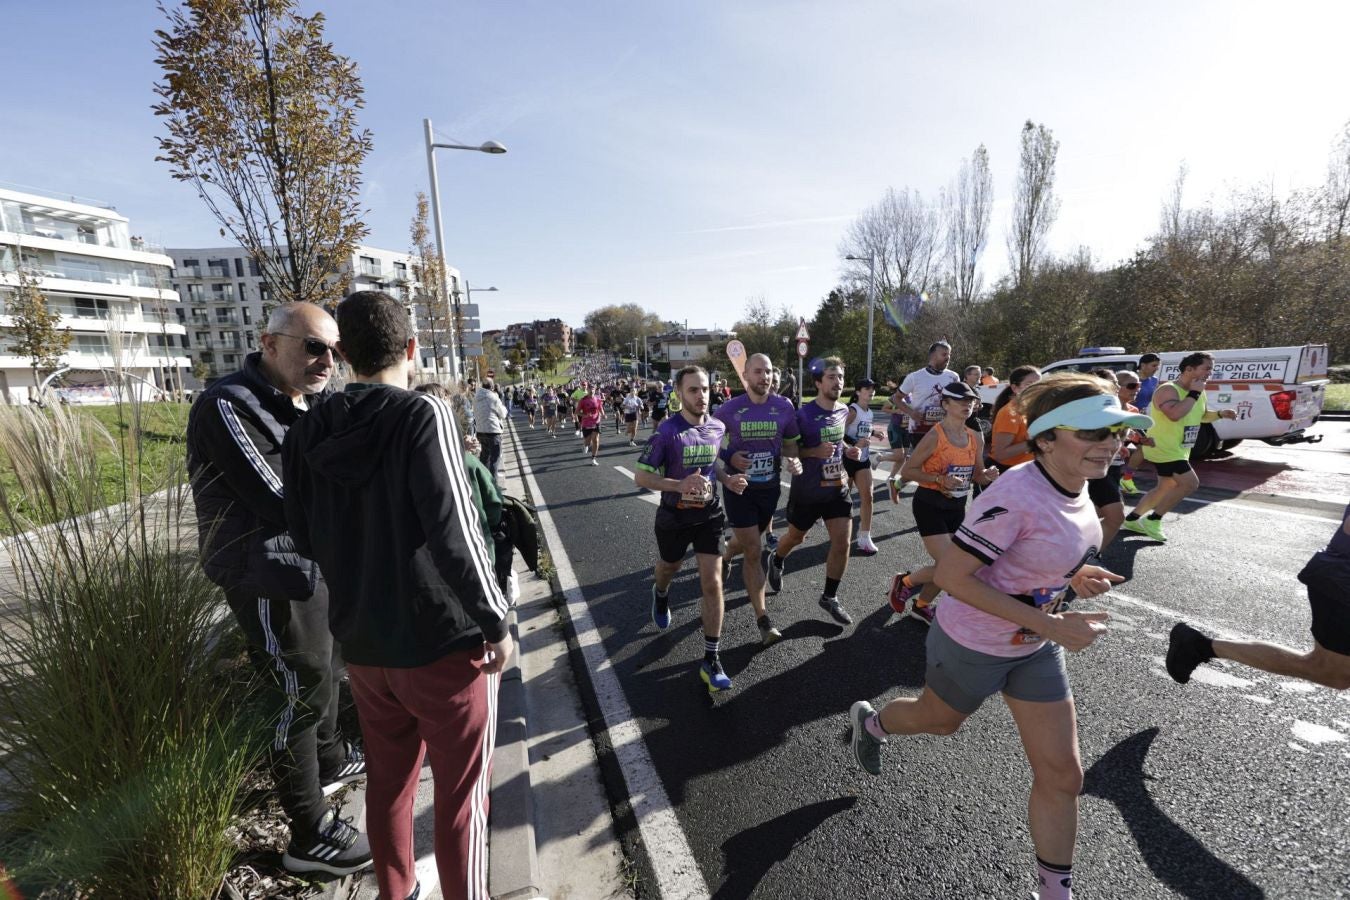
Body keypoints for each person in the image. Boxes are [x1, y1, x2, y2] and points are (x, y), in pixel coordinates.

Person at [848, 372, 1150, 900]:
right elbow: (950, 577)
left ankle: (1054, 892)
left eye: (1115, 432)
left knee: (1063, 775)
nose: (1109, 445)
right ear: (1047, 438)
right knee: (939, 723)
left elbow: (1044, 556)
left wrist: (1073, 577)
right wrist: (1054, 623)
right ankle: (872, 724)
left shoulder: (1077, 485)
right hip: (974, 641)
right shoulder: (1017, 495)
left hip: (1033, 648)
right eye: (1093, 433)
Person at [282, 291, 512, 900]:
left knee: (388, 781)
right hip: (439, 638)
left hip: (362, 643)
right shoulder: (421, 415)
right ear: (411, 349)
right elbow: (456, 532)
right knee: (462, 795)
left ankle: (396, 891)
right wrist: (497, 620)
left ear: (343, 353)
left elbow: (303, 535)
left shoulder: (306, 430)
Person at [186, 302, 370, 876]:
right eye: (313, 346)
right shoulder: (228, 403)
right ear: (269, 343)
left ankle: (333, 760)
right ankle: (310, 832)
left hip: (312, 563)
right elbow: (278, 497)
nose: (327, 360)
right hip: (266, 572)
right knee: (298, 687)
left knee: (328, 667)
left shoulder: (308, 402)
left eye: (334, 349)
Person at [1167, 502, 1350, 690]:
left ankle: (1199, 646)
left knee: (1335, 674)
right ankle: (1198, 646)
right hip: (1342, 578)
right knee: (1330, 671)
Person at [635, 366, 735, 692]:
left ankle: (712, 658)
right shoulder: (667, 432)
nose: (701, 396)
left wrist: (727, 478)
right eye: (693, 390)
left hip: (709, 515)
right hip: (674, 517)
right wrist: (679, 485)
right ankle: (660, 593)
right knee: (669, 567)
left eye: (704, 389)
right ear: (679, 394)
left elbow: (713, 463)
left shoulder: (718, 427)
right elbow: (642, 476)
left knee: (713, 582)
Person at [888, 381, 1000, 625]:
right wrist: (940, 479)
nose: (967, 405)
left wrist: (987, 476)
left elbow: (976, 475)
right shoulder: (934, 436)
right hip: (930, 504)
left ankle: (921, 605)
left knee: (950, 565)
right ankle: (906, 582)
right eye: (960, 401)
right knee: (954, 566)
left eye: (970, 401)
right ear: (945, 404)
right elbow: (909, 471)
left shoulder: (974, 438)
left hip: (957, 507)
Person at [715, 353, 802, 646]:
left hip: (769, 488)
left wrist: (794, 461)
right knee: (754, 548)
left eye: (767, 372)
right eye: (757, 372)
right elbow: (707, 442)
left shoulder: (784, 407)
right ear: (746, 376)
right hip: (738, 487)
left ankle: (726, 554)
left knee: (745, 541)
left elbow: (790, 444)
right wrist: (729, 456)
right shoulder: (730, 409)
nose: (763, 377)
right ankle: (763, 620)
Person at [766, 357, 860, 626]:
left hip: (837, 488)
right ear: (818, 383)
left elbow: (838, 436)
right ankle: (778, 557)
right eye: (831, 377)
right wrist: (813, 452)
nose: (838, 382)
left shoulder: (843, 411)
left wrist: (848, 448)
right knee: (796, 537)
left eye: (841, 377)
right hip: (808, 490)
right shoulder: (803, 416)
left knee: (842, 542)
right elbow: (789, 448)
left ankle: (829, 597)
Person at [1122, 352, 1237, 543]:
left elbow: (1199, 415)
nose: (1210, 372)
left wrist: (1220, 414)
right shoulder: (1168, 390)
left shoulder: (1198, 391)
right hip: (1164, 448)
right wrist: (1194, 393)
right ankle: (1153, 520)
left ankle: (1133, 519)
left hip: (1180, 447)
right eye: (1206, 368)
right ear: (1189, 369)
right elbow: (1175, 414)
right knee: (1190, 483)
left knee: (1165, 486)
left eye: (1211, 369)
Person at [890, 342, 959, 497]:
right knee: (927, 465)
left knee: (934, 464)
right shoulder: (915, 377)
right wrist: (911, 413)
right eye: (944, 354)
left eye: (949, 355)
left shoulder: (953, 376)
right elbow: (897, 398)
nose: (948, 358)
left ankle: (899, 484)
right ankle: (934, 494)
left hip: (945, 428)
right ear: (933, 355)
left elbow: (957, 399)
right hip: (919, 430)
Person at [844, 377, 880, 556]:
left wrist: (874, 432)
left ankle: (864, 537)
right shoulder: (853, 410)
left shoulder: (869, 412)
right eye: (867, 389)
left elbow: (865, 427)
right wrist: (853, 443)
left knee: (868, 496)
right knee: (844, 499)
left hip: (863, 460)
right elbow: (839, 433)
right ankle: (841, 532)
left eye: (873, 389)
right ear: (858, 392)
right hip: (848, 458)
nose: (871, 391)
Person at [989, 365, 1043, 471]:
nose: (1036, 389)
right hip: (1005, 472)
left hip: (1024, 469)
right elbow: (1000, 454)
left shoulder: (1029, 407)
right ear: (1015, 388)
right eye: (1029, 384)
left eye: (1039, 384)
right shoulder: (1009, 413)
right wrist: (1034, 442)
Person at [473, 377, 507, 479]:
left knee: (484, 459)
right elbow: (503, 414)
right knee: (494, 460)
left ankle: (483, 483)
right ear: (492, 386)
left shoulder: (476, 397)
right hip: (493, 431)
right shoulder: (492, 397)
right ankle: (493, 486)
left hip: (480, 431)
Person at [578, 384, 605, 465]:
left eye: (593, 389)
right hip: (586, 422)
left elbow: (600, 408)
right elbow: (577, 412)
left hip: (596, 421)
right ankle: (585, 445)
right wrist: (585, 415)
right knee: (588, 441)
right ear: (588, 389)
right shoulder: (583, 400)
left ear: (595, 389)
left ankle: (593, 458)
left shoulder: (597, 399)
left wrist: (603, 414)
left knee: (596, 440)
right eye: (590, 388)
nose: (591, 390)